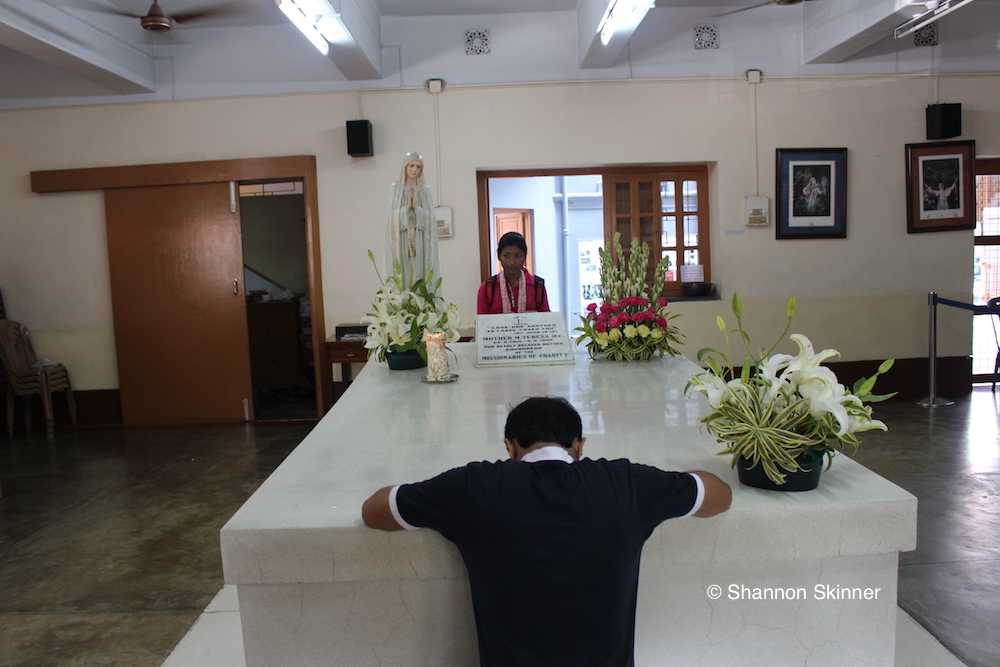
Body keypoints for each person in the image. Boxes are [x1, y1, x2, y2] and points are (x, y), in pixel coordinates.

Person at [362, 396, 732, 666]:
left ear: (509, 447)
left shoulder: (473, 486)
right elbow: (718, 494)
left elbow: (375, 510)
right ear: (579, 446)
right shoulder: (626, 483)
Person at [385, 151, 440, 289]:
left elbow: (430, 217)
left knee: (419, 269)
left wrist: (417, 209)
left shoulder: (424, 190)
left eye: (418, 167)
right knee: (403, 269)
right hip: (402, 238)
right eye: (412, 166)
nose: (415, 170)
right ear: (405, 167)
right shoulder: (397, 190)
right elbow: (391, 218)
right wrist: (405, 209)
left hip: (419, 239)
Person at [477, 231, 550, 314]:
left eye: (517, 256)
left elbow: (546, 319)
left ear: (525, 257)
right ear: (499, 256)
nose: (512, 262)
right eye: (506, 256)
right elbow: (482, 322)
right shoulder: (487, 288)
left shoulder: (537, 286)